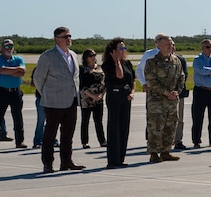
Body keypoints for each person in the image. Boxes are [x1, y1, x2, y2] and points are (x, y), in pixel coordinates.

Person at [33, 25, 84, 173]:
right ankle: (48, 163)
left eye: (69, 36)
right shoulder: (48, 56)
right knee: (50, 135)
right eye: (65, 37)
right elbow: (38, 78)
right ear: (57, 39)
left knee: (68, 134)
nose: (69, 39)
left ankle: (66, 162)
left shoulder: (73, 55)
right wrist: (46, 93)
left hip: (72, 100)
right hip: (54, 101)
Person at [144, 34, 187, 164]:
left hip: (172, 101)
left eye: (171, 44)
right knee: (156, 127)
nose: (170, 46)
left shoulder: (176, 61)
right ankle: (153, 153)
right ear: (158, 44)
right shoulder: (152, 62)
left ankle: (166, 151)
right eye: (167, 44)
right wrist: (166, 92)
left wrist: (176, 91)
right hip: (157, 101)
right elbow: (151, 81)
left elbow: (181, 77)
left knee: (171, 126)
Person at [102, 39, 136, 167]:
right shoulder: (108, 64)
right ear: (114, 51)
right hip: (114, 96)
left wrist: (132, 92)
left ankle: (121, 158)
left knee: (124, 127)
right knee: (114, 127)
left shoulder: (127, 63)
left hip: (125, 96)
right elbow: (119, 76)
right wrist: (116, 61)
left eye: (124, 48)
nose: (124, 51)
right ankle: (113, 160)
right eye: (121, 48)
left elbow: (132, 81)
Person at [0, 39, 27, 149]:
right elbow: (1, 70)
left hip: (15, 91)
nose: (9, 49)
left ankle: (19, 141)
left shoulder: (18, 59)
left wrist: (9, 71)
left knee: (18, 117)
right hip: (1, 91)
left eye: (11, 47)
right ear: (2, 48)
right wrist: (16, 70)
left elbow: (23, 72)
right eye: (6, 47)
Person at [191, 38, 211, 147]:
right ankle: (196, 141)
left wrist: (208, 71)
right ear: (202, 48)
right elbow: (200, 70)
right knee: (197, 117)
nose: (210, 49)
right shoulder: (197, 59)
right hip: (201, 91)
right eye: (207, 47)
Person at [78, 49, 105, 149]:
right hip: (86, 99)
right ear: (86, 58)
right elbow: (81, 86)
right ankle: (85, 142)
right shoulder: (82, 70)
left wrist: (101, 94)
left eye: (94, 55)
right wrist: (91, 95)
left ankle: (102, 141)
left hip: (99, 98)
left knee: (99, 121)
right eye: (91, 55)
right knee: (85, 121)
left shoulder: (100, 69)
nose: (93, 57)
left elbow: (104, 83)